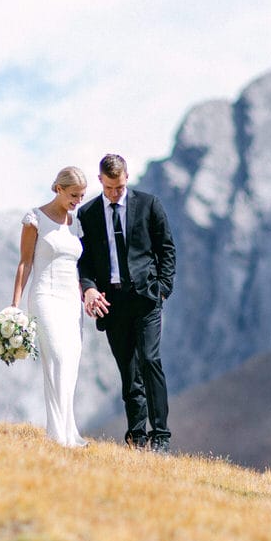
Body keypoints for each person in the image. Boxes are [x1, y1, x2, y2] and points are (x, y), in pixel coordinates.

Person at [77, 154, 176, 452]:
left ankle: (160, 437)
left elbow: (166, 248)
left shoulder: (149, 204)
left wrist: (162, 289)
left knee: (150, 361)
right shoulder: (88, 214)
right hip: (112, 303)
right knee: (128, 371)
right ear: (100, 181)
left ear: (127, 178)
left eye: (119, 187)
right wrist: (89, 289)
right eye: (109, 188)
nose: (114, 193)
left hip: (146, 298)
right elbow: (84, 261)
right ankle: (137, 436)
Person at [11, 167, 89, 447]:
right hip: (45, 296)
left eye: (81, 196)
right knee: (56, 357)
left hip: (71, 301)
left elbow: (79, 265)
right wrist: (14, 306)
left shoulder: (76, 223)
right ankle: (58, 434)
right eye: (73, 195)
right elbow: (25, 262)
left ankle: (68, 431)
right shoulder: (35, 219)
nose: (77, 201)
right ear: (59, 189)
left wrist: (86, 294)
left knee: (71, 362)